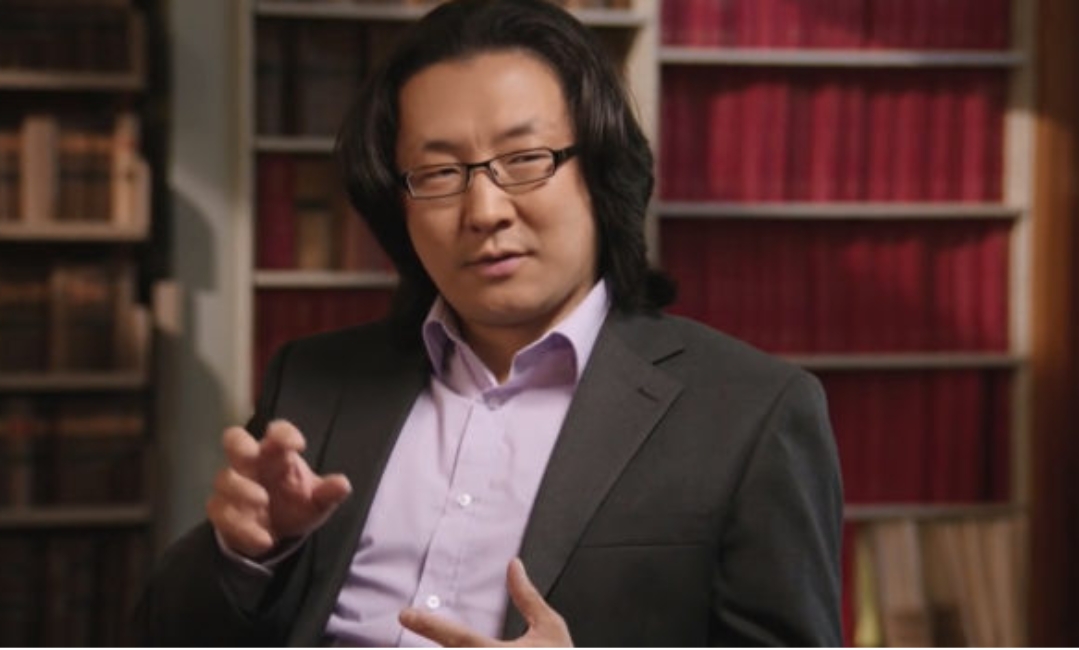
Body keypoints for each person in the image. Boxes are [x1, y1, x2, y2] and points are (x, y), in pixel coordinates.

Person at [136, 0, 843, 645]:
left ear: (600, 172)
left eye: (525, 160)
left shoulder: (750, 413)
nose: (484, 211)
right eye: (439, 174)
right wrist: (246, 555)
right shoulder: (315, 381)